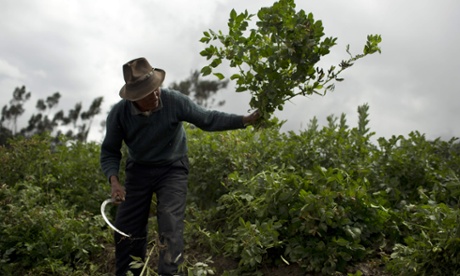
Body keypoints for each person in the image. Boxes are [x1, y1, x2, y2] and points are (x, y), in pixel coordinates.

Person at [100, 57, 259, 276]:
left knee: (170, 225)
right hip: (139, 170)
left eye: (156, 89)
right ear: (134, 97)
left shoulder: (174, 101)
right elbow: (109, 151)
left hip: (172, 168)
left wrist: (244, 120)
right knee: (127, 230)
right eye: (149, 93)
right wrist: (114, 181)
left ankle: (170, 273)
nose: (156, 95)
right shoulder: (119, 114)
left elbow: (207, 119)